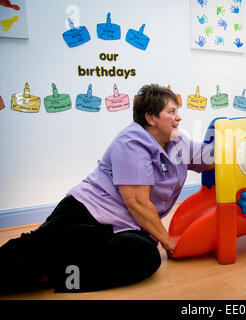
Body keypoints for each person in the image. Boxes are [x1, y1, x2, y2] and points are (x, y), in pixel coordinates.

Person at [0, 84, 214, 293]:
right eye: (171, 111)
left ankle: (59, 275)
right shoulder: (133, 142)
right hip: (87, 212)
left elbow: (210, 157)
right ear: (151, 118)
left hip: (124, 224)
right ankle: (49, 271)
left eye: (177, 111)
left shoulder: (177, 142)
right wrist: (169, 242)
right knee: (32, 256)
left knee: (145, 256)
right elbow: (137, 203)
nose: (179, 117)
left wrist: (245, 149)